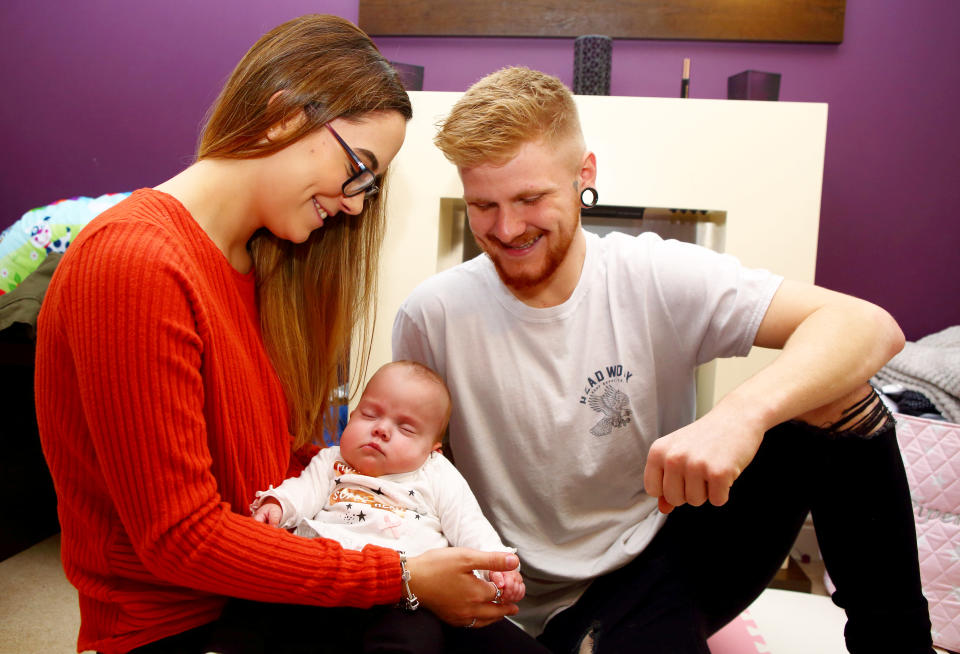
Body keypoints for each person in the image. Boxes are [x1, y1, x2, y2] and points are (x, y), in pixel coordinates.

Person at [392, 66, 934, 654]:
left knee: (837, 394)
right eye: (483, 206)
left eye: (530, 198)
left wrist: (738, 417)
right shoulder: (433, 315)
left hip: (669, 553)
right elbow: (414, 472)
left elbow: (869, 327)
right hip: (519, 591)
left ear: (584, 175)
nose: (507, 228)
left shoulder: (653, 274)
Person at [34, 17, 525, 654]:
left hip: (288, 595)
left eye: (369, 189)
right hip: (188, 627)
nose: (354, 204)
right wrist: (402, 576)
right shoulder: (135, 263)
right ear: (283, 115)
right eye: (358, 170)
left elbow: (281, 474)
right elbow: (181, 540)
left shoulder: (265, 267)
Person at [251, 360, 532, 652]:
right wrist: (278, 504)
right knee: (258, 599)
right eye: (369, 414)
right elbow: (302, 490)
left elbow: (469, 525)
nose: (381, 429)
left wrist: (498, 568)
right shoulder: (332, 461)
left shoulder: (436, 473)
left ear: (432, 449)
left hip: (405, 597)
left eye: (406, 428)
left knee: (416, 635)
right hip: (325, 580)